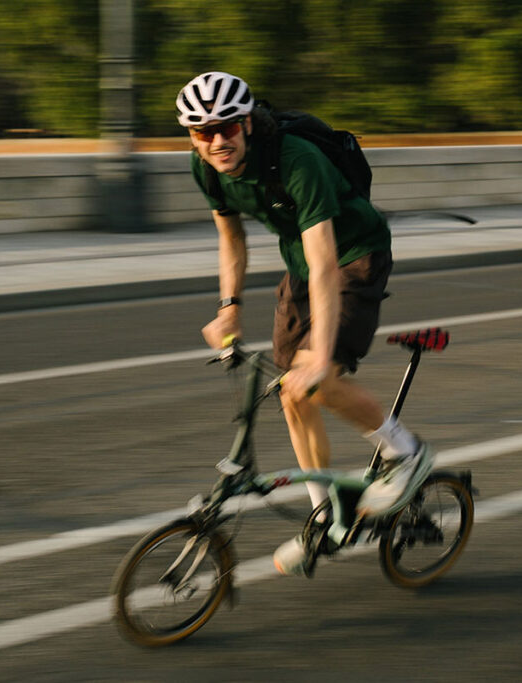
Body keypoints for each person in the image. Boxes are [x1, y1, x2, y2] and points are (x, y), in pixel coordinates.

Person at [177, 71, 433, 575]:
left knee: (319, 382)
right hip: (302, 262)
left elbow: (325, 262)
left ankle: (408, 453)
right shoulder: (206, 167)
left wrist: (319, 352)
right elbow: (232, 240)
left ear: (247, 123)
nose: (215, 140)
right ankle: (325, 516)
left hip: (355, 254)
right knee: (291, 391)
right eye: (201, 131)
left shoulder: (297, 160)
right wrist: (229, 308)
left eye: (226, 126)